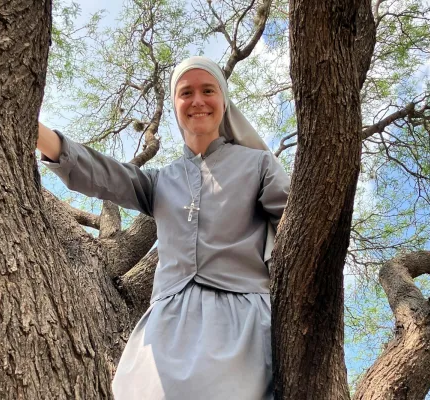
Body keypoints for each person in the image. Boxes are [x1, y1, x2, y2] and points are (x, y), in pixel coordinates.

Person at [37, 56, 290, 400]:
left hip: (239, 321)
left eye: (208, 90)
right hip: (165, 326)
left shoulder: (259, 164)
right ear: (175, 105)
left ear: (223, 100)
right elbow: (102, 173)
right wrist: (33, 130)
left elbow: (295, 227)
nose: (198, 101)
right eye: (186, 92)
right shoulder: (160, 181)